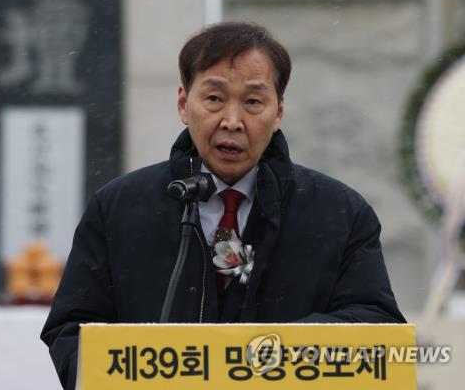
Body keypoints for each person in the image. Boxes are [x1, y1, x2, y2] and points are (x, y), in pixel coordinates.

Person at [41, 22, 406, 389]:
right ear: (184, 104)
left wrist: (275, 356)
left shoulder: (340, 213)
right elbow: (73, 331)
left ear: (278, 112)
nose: (232, 122)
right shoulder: (118, 208)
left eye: (252, 102)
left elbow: (377, 328)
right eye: (214, 99)